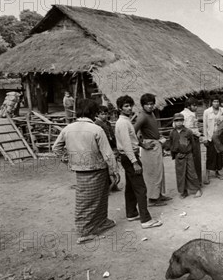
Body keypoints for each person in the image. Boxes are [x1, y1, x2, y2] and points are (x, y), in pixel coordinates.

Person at [52, 99, 118, 244]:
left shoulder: (68, 129)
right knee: (87, 201)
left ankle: (101, 222)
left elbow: (55, 148)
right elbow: (108, 154)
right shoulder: (96, 129)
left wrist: (67, 160)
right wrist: (114, 171)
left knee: (99, 197)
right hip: (98, 168)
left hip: (81, 170)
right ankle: (84, 231)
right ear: (94, 113)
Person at [115, 95, 162, 229]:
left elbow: (133, 139)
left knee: (130, 187)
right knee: (141, 188)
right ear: (120, 108)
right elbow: (127, 144)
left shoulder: (126, 121)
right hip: (130, 157)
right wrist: (134, 162)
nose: (129, 108)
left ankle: (131, 213)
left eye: (130, 105)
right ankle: (146, 220)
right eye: (126, 106)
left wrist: (141, 145)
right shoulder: (123, 123)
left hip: (128, 156)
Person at [134, 93, 170, 206]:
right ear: (142, 105)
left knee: (159, 171)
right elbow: (132, 132)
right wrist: (142, 145)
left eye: (151, 104)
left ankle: (158, 194)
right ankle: (153, 199)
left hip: (156, 144)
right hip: (149, 146)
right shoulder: (142, 116)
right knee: (152, 173)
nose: (150, 106)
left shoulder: (152, 114)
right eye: (147, 104)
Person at [169, 113, 203, 198]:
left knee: (191, 172)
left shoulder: (188, 131)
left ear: (183, 121)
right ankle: (183, 191)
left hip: (188, 154)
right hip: (178, 156)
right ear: (174, 122)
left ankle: (197, 189)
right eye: (177, 121)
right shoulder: (172, 133)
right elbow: (171, 144)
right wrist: (174, 155)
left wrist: (194, 154)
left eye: (180, 120)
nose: (179, 122)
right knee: (180, 174)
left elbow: (193, 143)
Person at [95, 105, 120, 192]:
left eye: (106, 114)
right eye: (102, 114)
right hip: (103, 147)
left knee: (113, 166)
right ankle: (107, 188)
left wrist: (115, 146)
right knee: (106, 168)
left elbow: (112, 135)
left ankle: (114, 186)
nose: (104, 116)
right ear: (98, 115)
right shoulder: (96, 124)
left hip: (111, 146)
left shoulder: (108, 123)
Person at [203, 96, 223, 182]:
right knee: (210, 155)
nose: (216, 103)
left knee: (219, 155)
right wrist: (205, 138)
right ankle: (207, 175)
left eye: (217, 101)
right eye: (214, 102)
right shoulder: (207, 112)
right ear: (211, 102)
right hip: (210, 137)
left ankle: (218, 172)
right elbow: (205, 126)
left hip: (220, 136)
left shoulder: (222, 111)